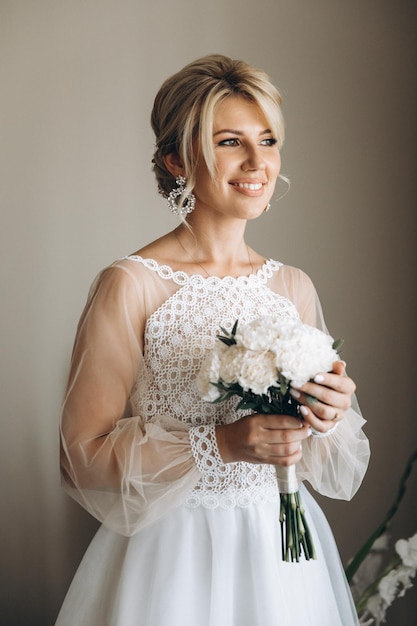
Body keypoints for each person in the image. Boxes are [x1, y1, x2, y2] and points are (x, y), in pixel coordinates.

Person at [56, 54, 370, 626]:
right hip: (176, 555)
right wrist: (221, 445)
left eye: (268, 140)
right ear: (177, 159)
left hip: (280, 556)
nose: (258, 162)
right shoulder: (130, 284)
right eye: (230, 141)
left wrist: (329, 413)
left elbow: (330, 461)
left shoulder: (292, 285)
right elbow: (82, 457)